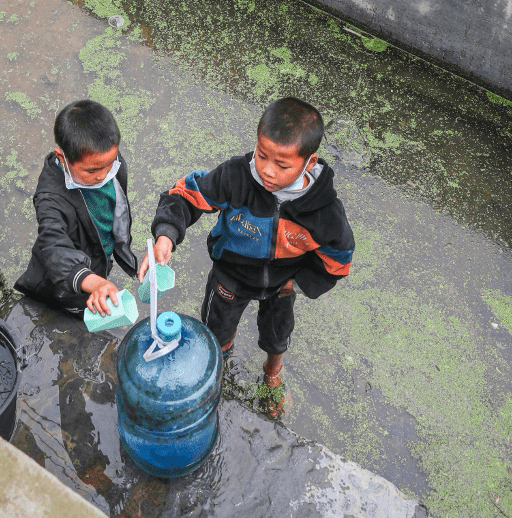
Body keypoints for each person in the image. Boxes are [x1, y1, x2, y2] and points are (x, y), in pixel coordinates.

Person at [139, 97, 354, 416]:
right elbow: (185, 195)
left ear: (309, 163)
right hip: (231, 276)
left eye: (282, 165)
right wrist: (166, 236)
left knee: (278, 334)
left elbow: (339, 258)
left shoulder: (324, 211)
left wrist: (297, 283)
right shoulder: (236, 176)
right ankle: (217, 364)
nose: (266, 171)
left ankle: (272, 374)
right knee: (217, 328)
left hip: (282, 285)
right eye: (261, 155)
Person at [14, 100, 138, 316]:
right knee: (75, 308)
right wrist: (92, 282)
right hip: (64, 280)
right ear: (62, 158)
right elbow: (53, 244)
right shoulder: (50, 199)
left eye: (110, 164)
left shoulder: (106, 161)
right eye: (92, 171)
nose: (103, 175)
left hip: (98, 254)